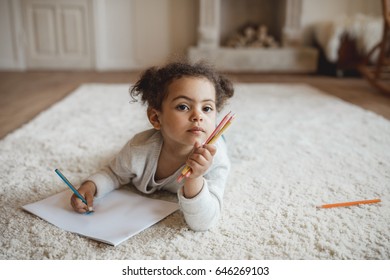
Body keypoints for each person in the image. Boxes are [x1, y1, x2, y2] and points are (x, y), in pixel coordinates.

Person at [70, 61, 234, 231]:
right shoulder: (138, 149)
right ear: (156, 118)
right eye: (183, 106)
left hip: (215, 144)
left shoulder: (216, 161)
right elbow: (113, 173)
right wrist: (90, 186)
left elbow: (203, 223)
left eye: (207, 108)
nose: (198, 116)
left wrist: (194, 178)